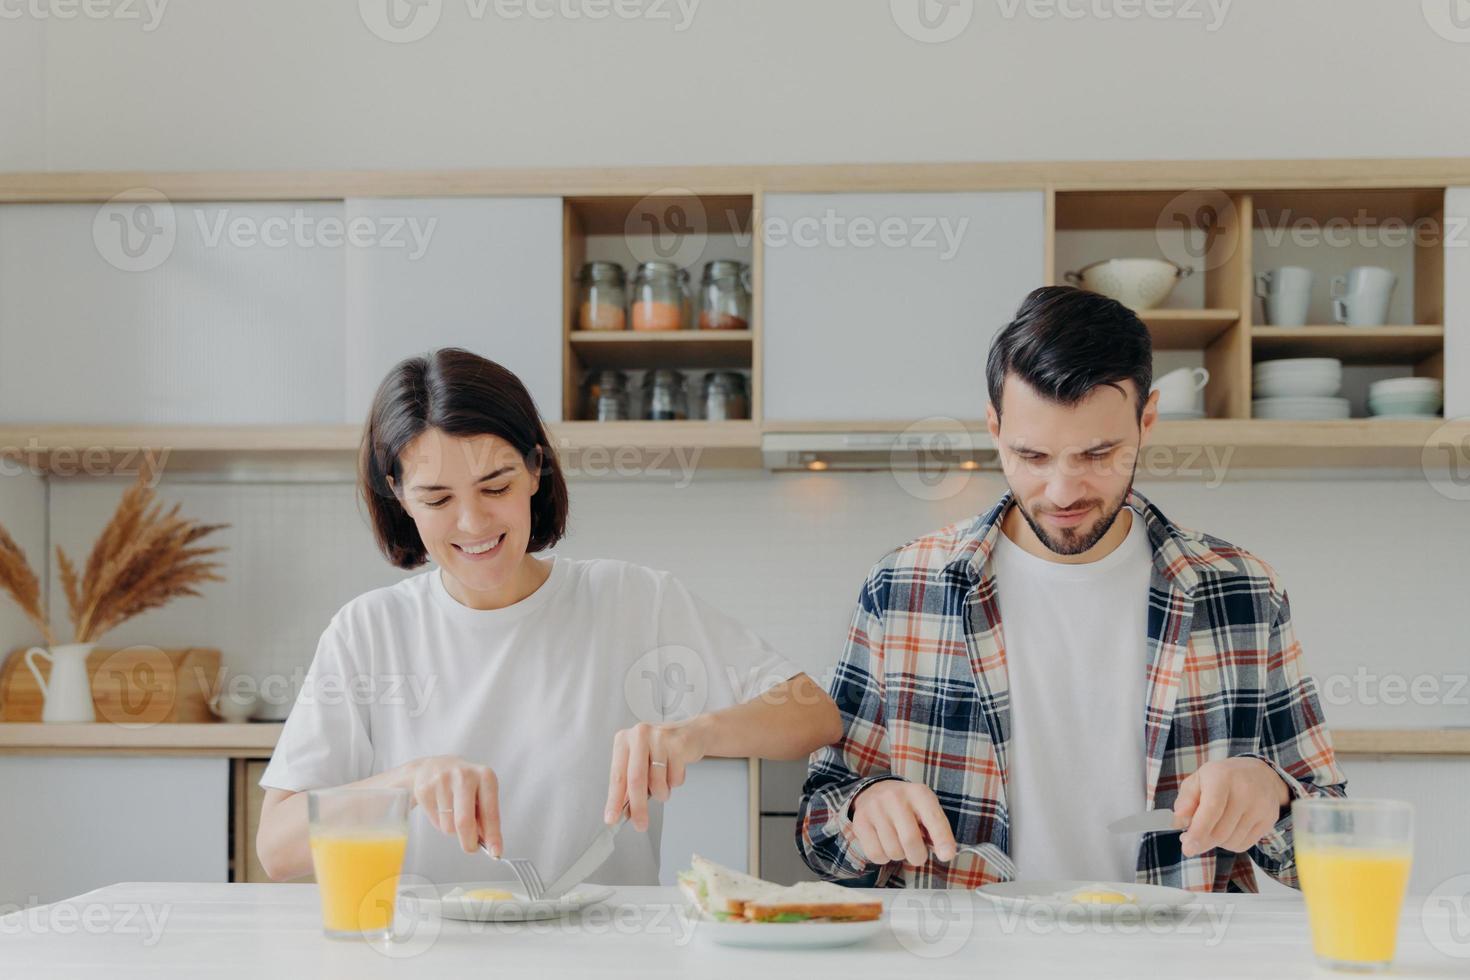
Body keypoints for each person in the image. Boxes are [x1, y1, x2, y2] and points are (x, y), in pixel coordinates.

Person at [798, 286, 1346, 891]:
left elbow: (1333, 846)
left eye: (1098, 453)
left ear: (1148, 420)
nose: (1063, 491)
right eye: (1032, 455)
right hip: (969, 959)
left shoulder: (1240, 590)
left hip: (1175, 959)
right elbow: (821, 827)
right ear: (993, 427)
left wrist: (1272, 794)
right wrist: (867, 807)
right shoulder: (904, 588)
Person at [257, 348, 841, 885]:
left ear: (535, 470)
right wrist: (406, 782)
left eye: (496, 486)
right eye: (437, 499)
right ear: (399, 497)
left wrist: (696, 734)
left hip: (603, 957)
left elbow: (814, 714)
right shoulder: (368, 632)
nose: (473, 523)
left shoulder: (632, 600)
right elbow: (276, 850)